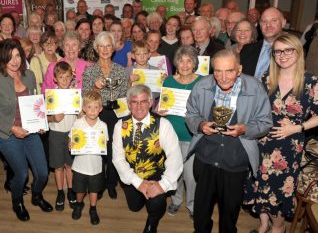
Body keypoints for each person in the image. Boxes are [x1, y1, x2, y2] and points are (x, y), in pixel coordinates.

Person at [185, 49, 273, 232]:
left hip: (235, 161)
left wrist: (245, 129)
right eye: (217, 71)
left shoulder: (255, 88)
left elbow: (265, 122)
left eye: (229, 71)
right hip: (206, 157)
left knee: (230, 211)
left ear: (239, 69)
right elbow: (191, 114)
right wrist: (201, 125)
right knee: (201, 210)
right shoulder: (202, 85)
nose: (223, 77)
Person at [245, 34, 318, 233]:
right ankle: (263, 224)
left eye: (288, 50)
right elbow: (252, 107)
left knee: (276, 192)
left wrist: (297, 127)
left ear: (298, 51)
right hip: (260, 142)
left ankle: (278, 228)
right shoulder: (266, 78)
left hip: (288, 147)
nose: (282, 55)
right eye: (278, 51)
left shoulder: (310, 82)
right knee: (258, 185)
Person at [0, 39, 53, 221]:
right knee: (21, 174)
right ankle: (17, 202)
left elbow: (36, 101)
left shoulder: (29, 75)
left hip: (30, 132)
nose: (14, 61)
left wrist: (40, 123)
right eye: (10, 57)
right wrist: (12, 128)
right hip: (8, 135)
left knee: (43, 173)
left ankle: (37, 195)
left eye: (17, 56)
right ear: (2, 59)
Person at [112, 84, 183, 233]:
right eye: (134, 102)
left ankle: (152, 223)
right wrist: (138, 183)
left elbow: (175, 157)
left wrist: (163, 185)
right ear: (129, 104)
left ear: (151, 103)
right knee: (134, 207)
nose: (139, 106)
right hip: (132, 175)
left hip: (155, 175)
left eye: (143, 101)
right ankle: (142, 198)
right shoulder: (120, 126)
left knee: (156, 202)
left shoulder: (163, 124)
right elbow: (118, 159)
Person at [82, 31, 129, 200]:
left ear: (113, 48)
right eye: (101, 46)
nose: (105, 49)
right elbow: (85, 98)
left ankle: (112, 184)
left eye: (108, 45)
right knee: (99, 150)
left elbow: (124, 95)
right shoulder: (90, 71)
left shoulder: (120, 71)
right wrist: (95, 88)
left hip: (116, 114)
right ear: (96, 49)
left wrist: (125, 119)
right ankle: (98, 184)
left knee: (114, 151)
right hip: (97, 115)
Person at [159, 46, 202, 219]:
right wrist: (160, 110)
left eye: (189, 60)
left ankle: (192, 205)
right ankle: (176, 201)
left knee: (191, 176)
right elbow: (163, 106)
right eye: (181, 60)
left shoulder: (203, 82)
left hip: (192, 136)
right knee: (174, 171)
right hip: (171, 136)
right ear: (176, 63)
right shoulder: (168, 81)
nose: (185, 65)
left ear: (194, 63)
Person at [70, 91, 108, 225]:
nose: (92, 110)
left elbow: (104, 143)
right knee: (79, 190)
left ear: (101, 109)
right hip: (80, 165)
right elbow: (72, 141)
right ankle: (79, 204)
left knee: (94, 190)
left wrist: (103, 145)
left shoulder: (103, 126)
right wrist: (71, 145)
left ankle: (93, 208)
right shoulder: (77, 123)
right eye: (89, 107)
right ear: (84, 108)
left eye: (96, 107)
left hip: (96, 167)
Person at [47, 61, 77, 212]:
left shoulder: (75, 94)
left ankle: (70, 190)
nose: (64, 80)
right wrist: (53, 118)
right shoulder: (51, 96)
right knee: (58, 166)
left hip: (72, 134)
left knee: (70, 165)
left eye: (67, 76)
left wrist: (79, 108)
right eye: (61, 77)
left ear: (72, 77)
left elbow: (81, 115)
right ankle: (60, 193)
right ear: (55, 79)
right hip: (56, 134)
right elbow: (44, 117)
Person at [240, 7, 286, 79]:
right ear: (260, 25)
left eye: (273, 20)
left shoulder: (292, 52)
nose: (268, 25)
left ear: (283, 23)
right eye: (264, 21)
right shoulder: (247, 49)